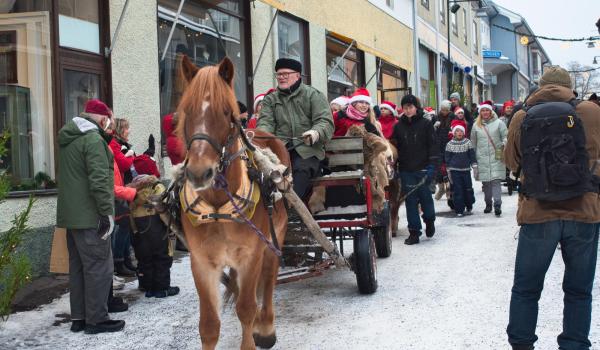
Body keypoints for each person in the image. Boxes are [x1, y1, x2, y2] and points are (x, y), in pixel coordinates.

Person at [505, 66, 600, 350]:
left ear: (540, 86)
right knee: (579, 290)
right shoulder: (592, 112)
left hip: (537, 212)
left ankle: (522, 344)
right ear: (569, 86)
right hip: (584, 211)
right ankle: (574, 344)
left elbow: (511, 161)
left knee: (526, 288)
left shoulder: (522, 115)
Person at [56, 98, 125, 334]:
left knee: (78, 268)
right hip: (90, 217)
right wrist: (106, 213)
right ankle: (97, 320)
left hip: (72, 217)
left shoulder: (70, 139)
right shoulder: (93, 140)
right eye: (109, 119)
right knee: (98, 267)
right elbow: (99, 182)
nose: (110, 124)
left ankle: (80, 318)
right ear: (103, 119)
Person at [257, 58, 334, 199]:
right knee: (265, 171)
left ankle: (290, 208)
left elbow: (325, 121)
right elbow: (265, 123)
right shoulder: (270, 99)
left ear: (297, 75)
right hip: (279, 150)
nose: (281, 77)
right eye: (279, 74)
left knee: (301, 168)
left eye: (285, 74)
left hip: (308, 151)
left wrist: (315, 133)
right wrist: (262, 138)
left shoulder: (313, 95)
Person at [390, 94, 438, 245]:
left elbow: (433, 146)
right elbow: (394, 147)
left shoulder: (426, 124)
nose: (408, 110)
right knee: (410, 202)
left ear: (416, 108)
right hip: (406, 170)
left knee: (426, 199)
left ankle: (429, 220)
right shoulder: (398, 126)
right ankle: (414, 232)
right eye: (405, 107)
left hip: (423, 168)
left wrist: (432, 166)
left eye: (410, 107)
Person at [470, 101, 508, 216]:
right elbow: (473, 143)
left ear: (491, 111)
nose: (485, 112)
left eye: (487, 110)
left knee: (496, 181)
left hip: (496, 156)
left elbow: (506, 136)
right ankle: (488, 204)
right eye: (483, 110)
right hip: (482, 158)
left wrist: (503, 144)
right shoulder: (476, 125)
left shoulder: (499, 123)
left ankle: (497, 204)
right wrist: (474, 159)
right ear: (480, 112)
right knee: (486, 183)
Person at [445, 124, 477, 217]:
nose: (459, 133)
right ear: (454, 133)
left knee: (468, 188)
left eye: (461, 131)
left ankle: (469, 205)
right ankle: (459, 209)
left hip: (466, 170)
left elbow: (471, 155)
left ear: (464, 133)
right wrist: (448, 169)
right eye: (457, 131)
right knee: (457, 190)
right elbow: (447, 158)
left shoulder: (467, 142)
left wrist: (474, 165)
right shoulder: (449, 144)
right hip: (454, 171)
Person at [432, 100, 455, 201]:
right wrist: (434, 127)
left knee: (448, 168)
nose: (444, 112)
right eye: (442, 110)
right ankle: (441, 188)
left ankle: (449, 189)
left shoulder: (453, 117)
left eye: (446, 110)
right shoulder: (436, 117)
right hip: (438, 145)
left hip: (449, 145)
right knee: (439, 168)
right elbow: (430, 131)